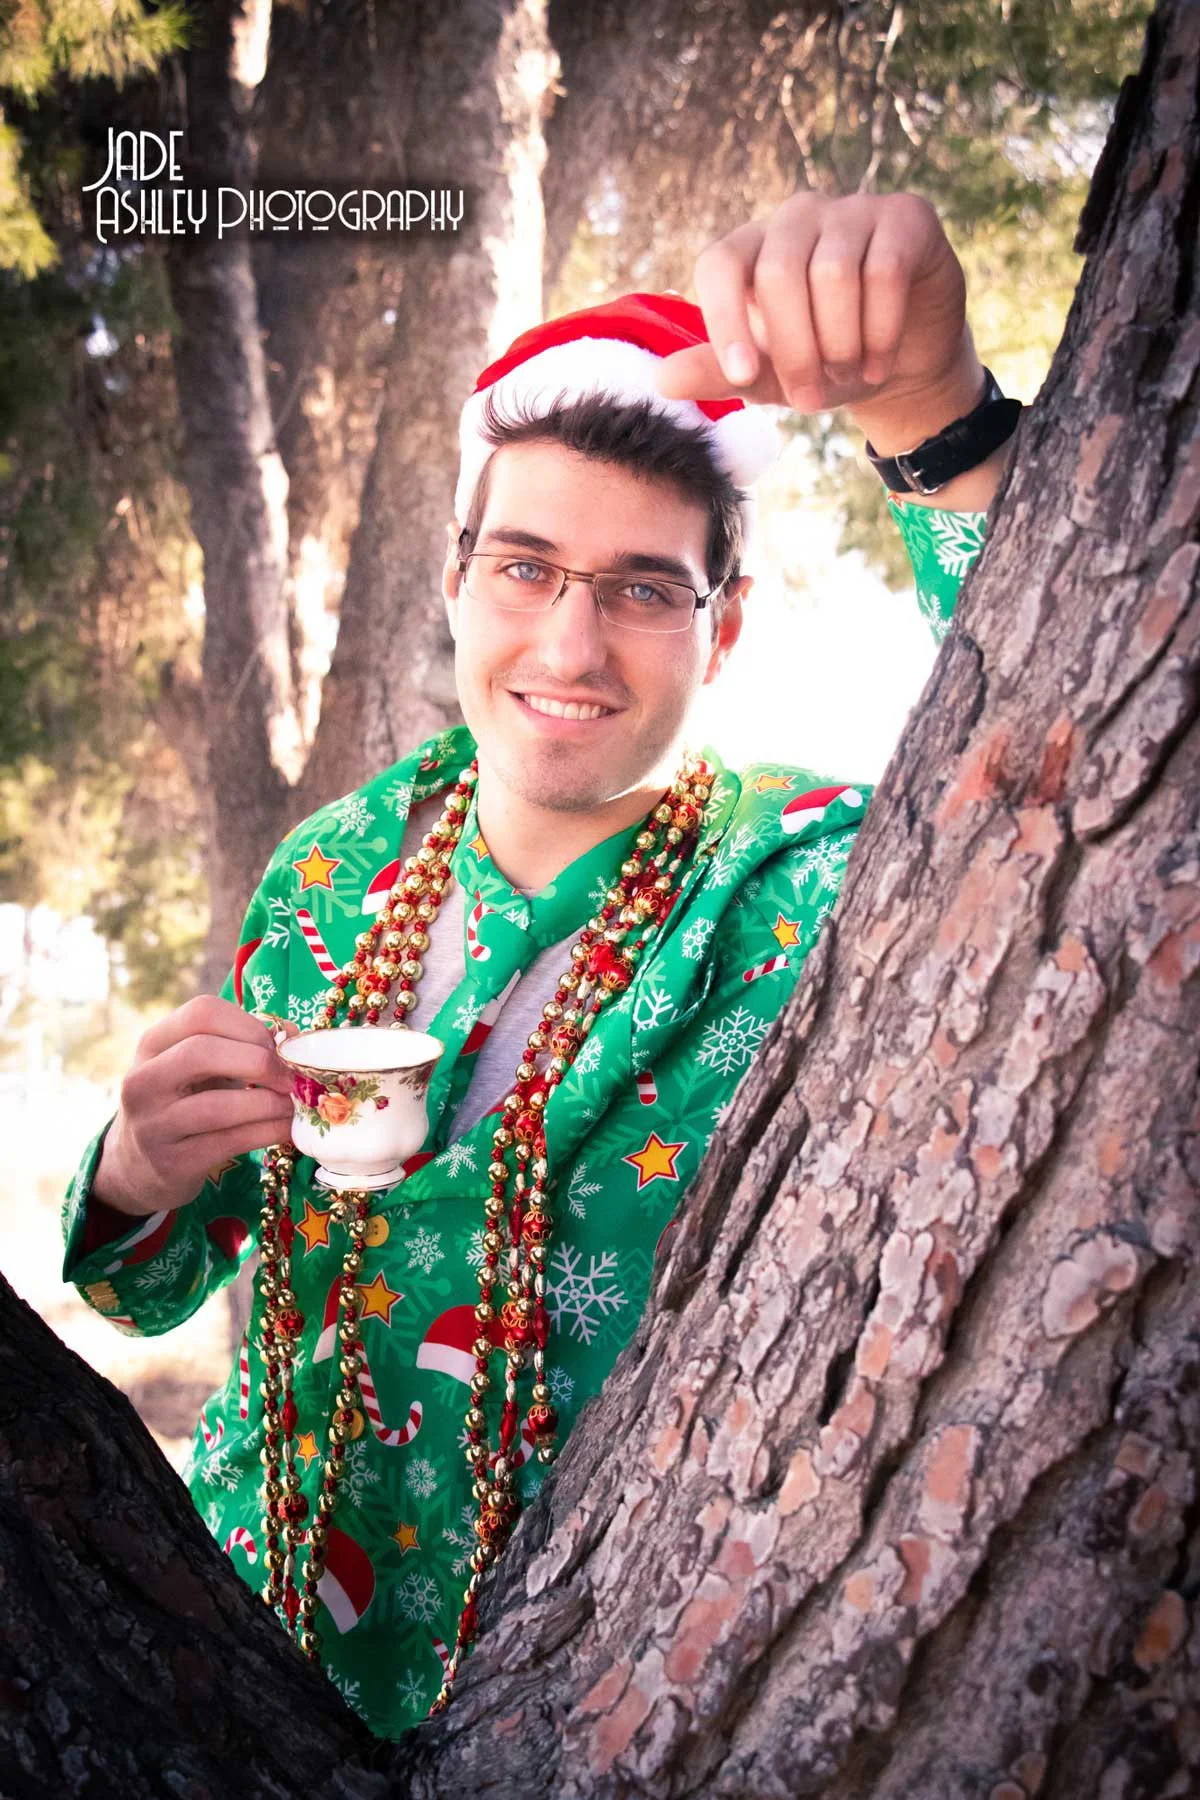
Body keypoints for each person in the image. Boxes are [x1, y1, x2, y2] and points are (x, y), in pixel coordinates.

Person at [60, 190, 1017, 1738]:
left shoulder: (816, 874)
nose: (570, 648)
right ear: (455, 582)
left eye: (644, 588)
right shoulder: (332, 872)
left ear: (727, 629)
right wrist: (138, 1168)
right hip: (254, 1676)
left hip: (621, 1706)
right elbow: (161, 1278)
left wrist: (934, 414)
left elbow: (1080, 733)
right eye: (524, 568)